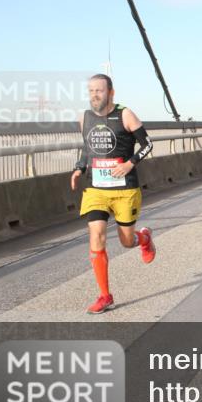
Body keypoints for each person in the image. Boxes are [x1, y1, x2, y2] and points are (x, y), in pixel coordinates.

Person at [70, 74, 157, 314]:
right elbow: (88, 149)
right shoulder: (84, 118)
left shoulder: (125, 114)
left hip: (124, 189)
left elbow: (148, 144)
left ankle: (144, 239)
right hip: (96, 190)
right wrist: (79, 167)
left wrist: (130, 164)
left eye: (99, 91)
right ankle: (105, 296)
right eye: (90, 91)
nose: (94, 95)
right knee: (96, 235)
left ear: (111, 92)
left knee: (126, 241)